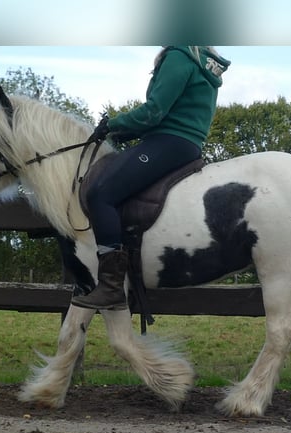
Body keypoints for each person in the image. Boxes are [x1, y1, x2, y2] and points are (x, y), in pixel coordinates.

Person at [72, 45, 230, 310]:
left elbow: (154, 111)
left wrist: (113, 124)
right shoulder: (204, 62)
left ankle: (111, 286)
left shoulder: (180, 56)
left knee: (101, 194)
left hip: (167, 142)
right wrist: (125, 134)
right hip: (185, 144)